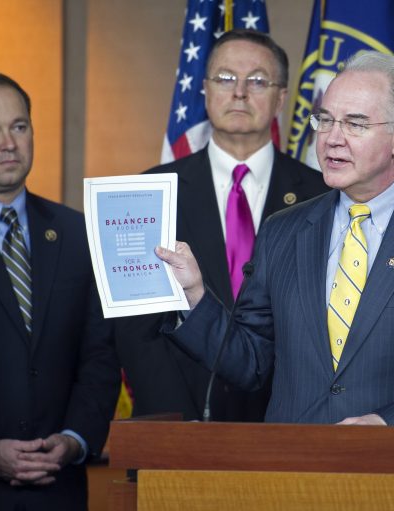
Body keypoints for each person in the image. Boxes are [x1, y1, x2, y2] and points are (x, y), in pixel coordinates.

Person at [156, 50, 394, 426]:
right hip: (290, 472)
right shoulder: (282, 230)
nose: (333, 139)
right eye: (325, 120)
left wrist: (387, 424)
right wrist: (195, 294)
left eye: (355, 124)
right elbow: (251, 363)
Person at [115, 29, 328, 422]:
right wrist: (172, 412)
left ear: (281, 98)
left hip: (289, 422)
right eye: (226, 79)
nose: (240, 93)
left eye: (258, 81)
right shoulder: (148, 193)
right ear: (205, 90)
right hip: (178, 423)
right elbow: (134, 329)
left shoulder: (323, 196)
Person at [0, 73, 120, 509]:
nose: (8, 143)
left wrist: (75, 439)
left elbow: (101, 353)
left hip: (59, 488)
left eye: (19, 127)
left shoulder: (78, 233)